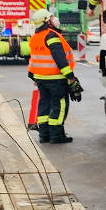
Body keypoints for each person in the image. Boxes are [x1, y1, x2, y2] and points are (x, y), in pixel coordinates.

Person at [27, 8, 82, 144]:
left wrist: (33, 76)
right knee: (59, 105)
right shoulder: (51, 36)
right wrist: (70, 76)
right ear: (47, 22)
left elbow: (33, 59)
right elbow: (60, 58)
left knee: (44, 105)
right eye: (51, 17)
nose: (54, 19)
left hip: (41, 78)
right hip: (56, 79)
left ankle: (44, 135)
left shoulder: (35, 37)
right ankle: (57, 135)